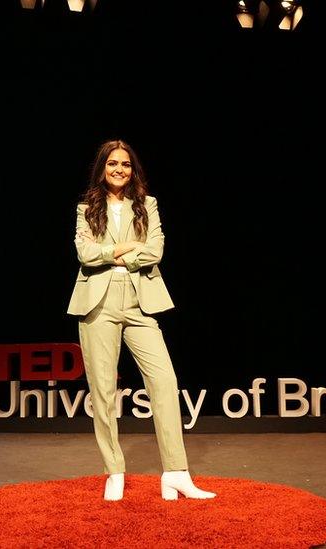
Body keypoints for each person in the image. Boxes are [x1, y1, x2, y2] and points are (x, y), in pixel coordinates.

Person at [67, 139, 215, 502]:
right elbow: (85, 254)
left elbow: (156, 250)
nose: (120, 169)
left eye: (126, 164)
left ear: (133, 170)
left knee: (164, 379)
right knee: (102, 391)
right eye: (113, 163)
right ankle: (114, 471)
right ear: (102, 167)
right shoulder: (87, 207)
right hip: (97, 303)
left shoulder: (147, 205)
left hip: (139, 302)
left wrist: (121, 257)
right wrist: (123, 249)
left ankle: (176, 473)